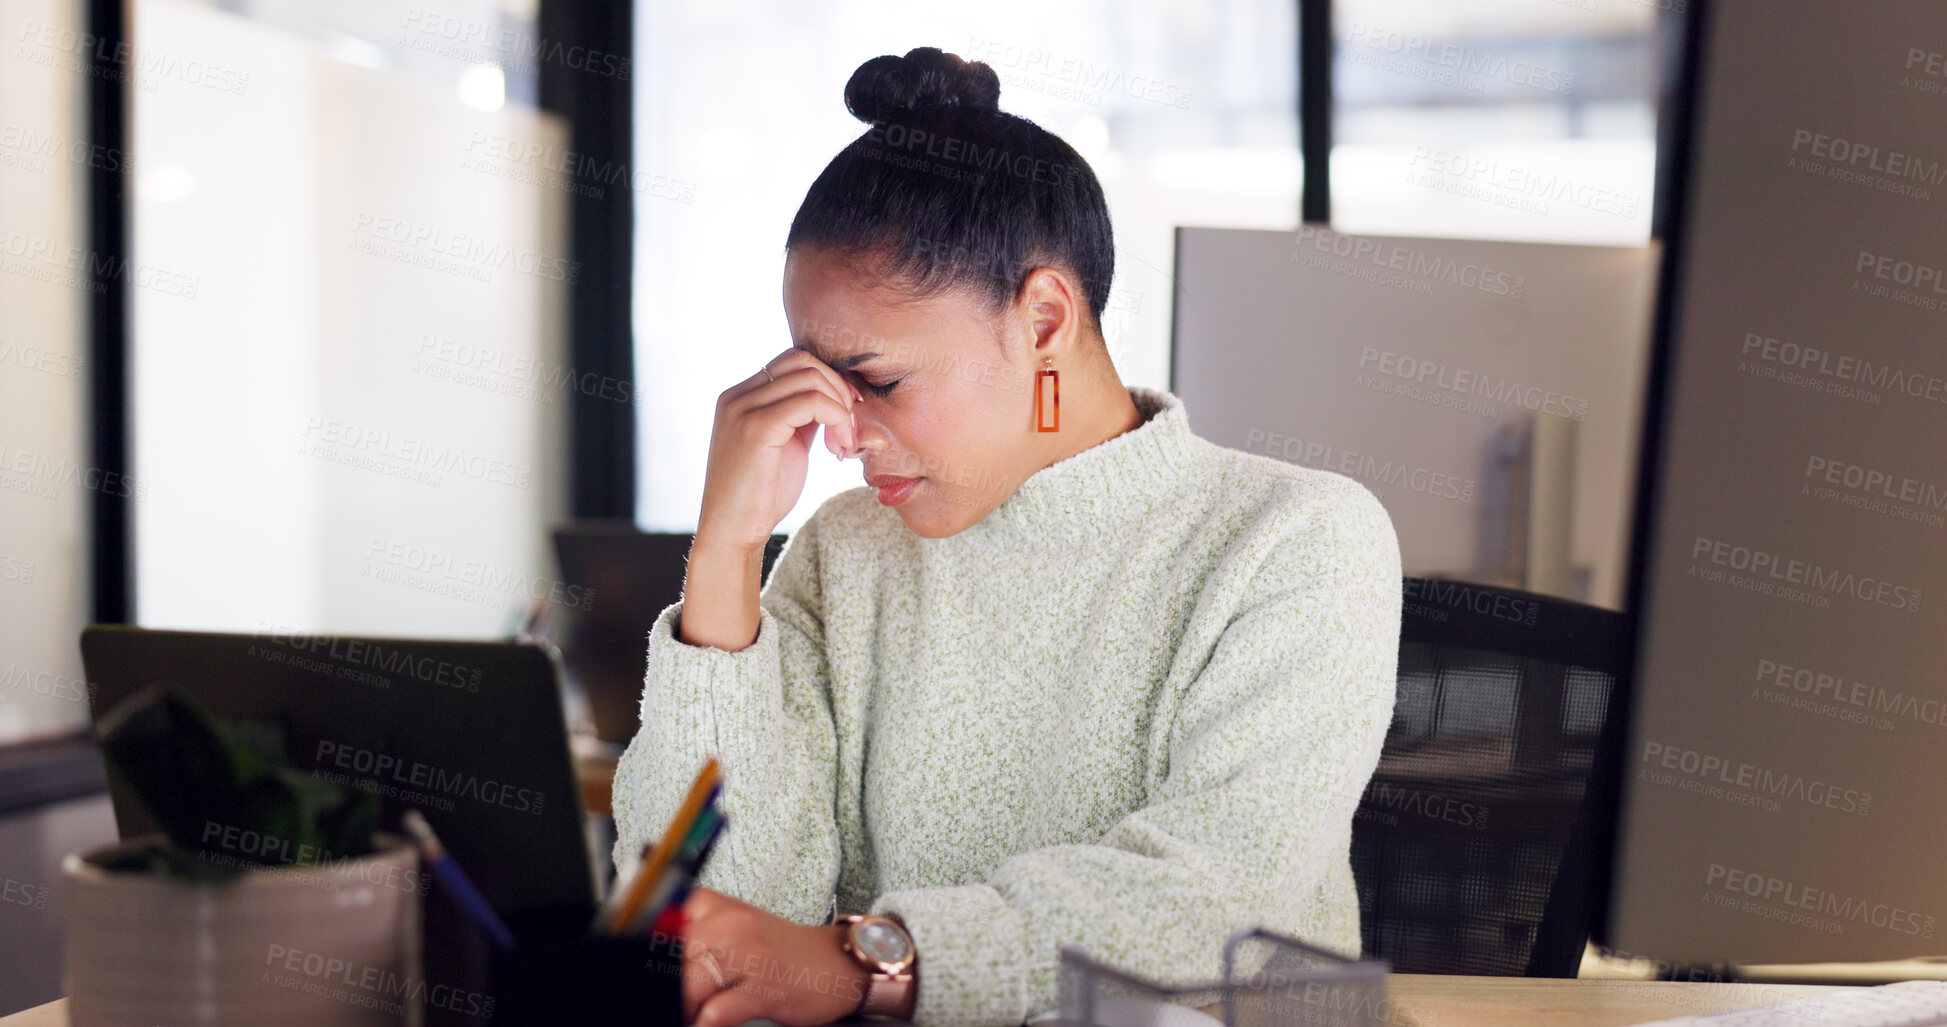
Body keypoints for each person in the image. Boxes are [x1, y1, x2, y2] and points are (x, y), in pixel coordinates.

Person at [611, 45, 1402, 1027]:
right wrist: (723, 559)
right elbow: (703, 920)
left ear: (1042, 317)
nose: (844, 433)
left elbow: (1215, 903)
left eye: (881, 380)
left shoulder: (1299, 541)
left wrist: (870, 963)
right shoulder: (846, 548)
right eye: (822, 383)